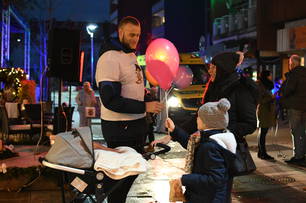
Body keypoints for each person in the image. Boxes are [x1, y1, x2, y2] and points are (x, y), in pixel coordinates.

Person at [95, 16, 163, 203]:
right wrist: (144, 106)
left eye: (138, 35)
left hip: (134, 125)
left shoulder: (130, 55)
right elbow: (110, 100)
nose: (135, 39)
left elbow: (132, 86)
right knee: (119, 180)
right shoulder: (110, 58)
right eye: (131, 34)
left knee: (128, 177)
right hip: (120, 128)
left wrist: (146, 97)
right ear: (120, 32)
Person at [153, 98, 237, 203]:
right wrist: (174, 130)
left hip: (209, 198)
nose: (196, 119)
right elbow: (192, 146)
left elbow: (215, 179)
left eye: (199, 117)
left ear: (207, 122)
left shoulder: (210, 146)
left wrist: (185, 179)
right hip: (206, 196)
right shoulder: (211, 139)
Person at [281, 55, 306, 165]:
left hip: (295, 107)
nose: (289, 65)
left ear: (293, 64)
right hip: (304, 106)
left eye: (290, 63)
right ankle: (302, 154)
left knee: (296, 131)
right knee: (303, 131)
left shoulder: (294, 74)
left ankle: (298, 156)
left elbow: (288, 90)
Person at [256, 70, 276, 160]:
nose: (271, 77)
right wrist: (270, 98)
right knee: (263, 132)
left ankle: (261, 152)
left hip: (267, 111)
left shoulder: (265, 85)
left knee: (263, 131)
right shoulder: (260, 85)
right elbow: (259, 100)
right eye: (270, 75)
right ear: (266, 76)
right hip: (263, 111)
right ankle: (263, 153)